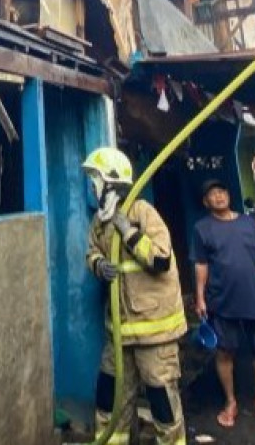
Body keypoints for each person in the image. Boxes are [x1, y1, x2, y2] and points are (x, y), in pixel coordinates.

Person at [82, 148, 187, 445]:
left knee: (162, 404)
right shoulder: (100, 222)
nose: (92, 188)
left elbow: (160, 260)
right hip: (119, 334)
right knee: (109, 398)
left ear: (110, 182)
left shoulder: (142, 212)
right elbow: (91, 252)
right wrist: (98, 265)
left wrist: (128, 232)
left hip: (155, 334)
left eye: (96, 180)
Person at [192, 179, 255, 428]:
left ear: (228, 195)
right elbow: (201, 264)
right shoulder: (202, 228)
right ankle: (230, 402)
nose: (218, 196)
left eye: (221, 191)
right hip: (222, 299)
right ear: (206, 202)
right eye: (212, 194)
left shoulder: (248, 223)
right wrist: (200, 297)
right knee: (225, 351)